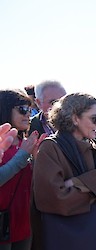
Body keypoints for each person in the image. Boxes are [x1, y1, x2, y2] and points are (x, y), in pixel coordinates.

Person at [32, 93, 96, 250]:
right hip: (67, 236)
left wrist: (77, 183)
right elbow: (53, 198)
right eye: (94, 118)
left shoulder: (95, 145)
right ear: (75, 118)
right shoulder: (51, 147)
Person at [0, 89, 45, 250]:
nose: (28, 114)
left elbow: (34, 184)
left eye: (30, 109)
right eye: (22, 109)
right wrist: (23, 155)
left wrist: (36, 158)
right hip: (3, 224)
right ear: (4, 109)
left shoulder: (25, 143)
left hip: (24, 223)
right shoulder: (3, 144)